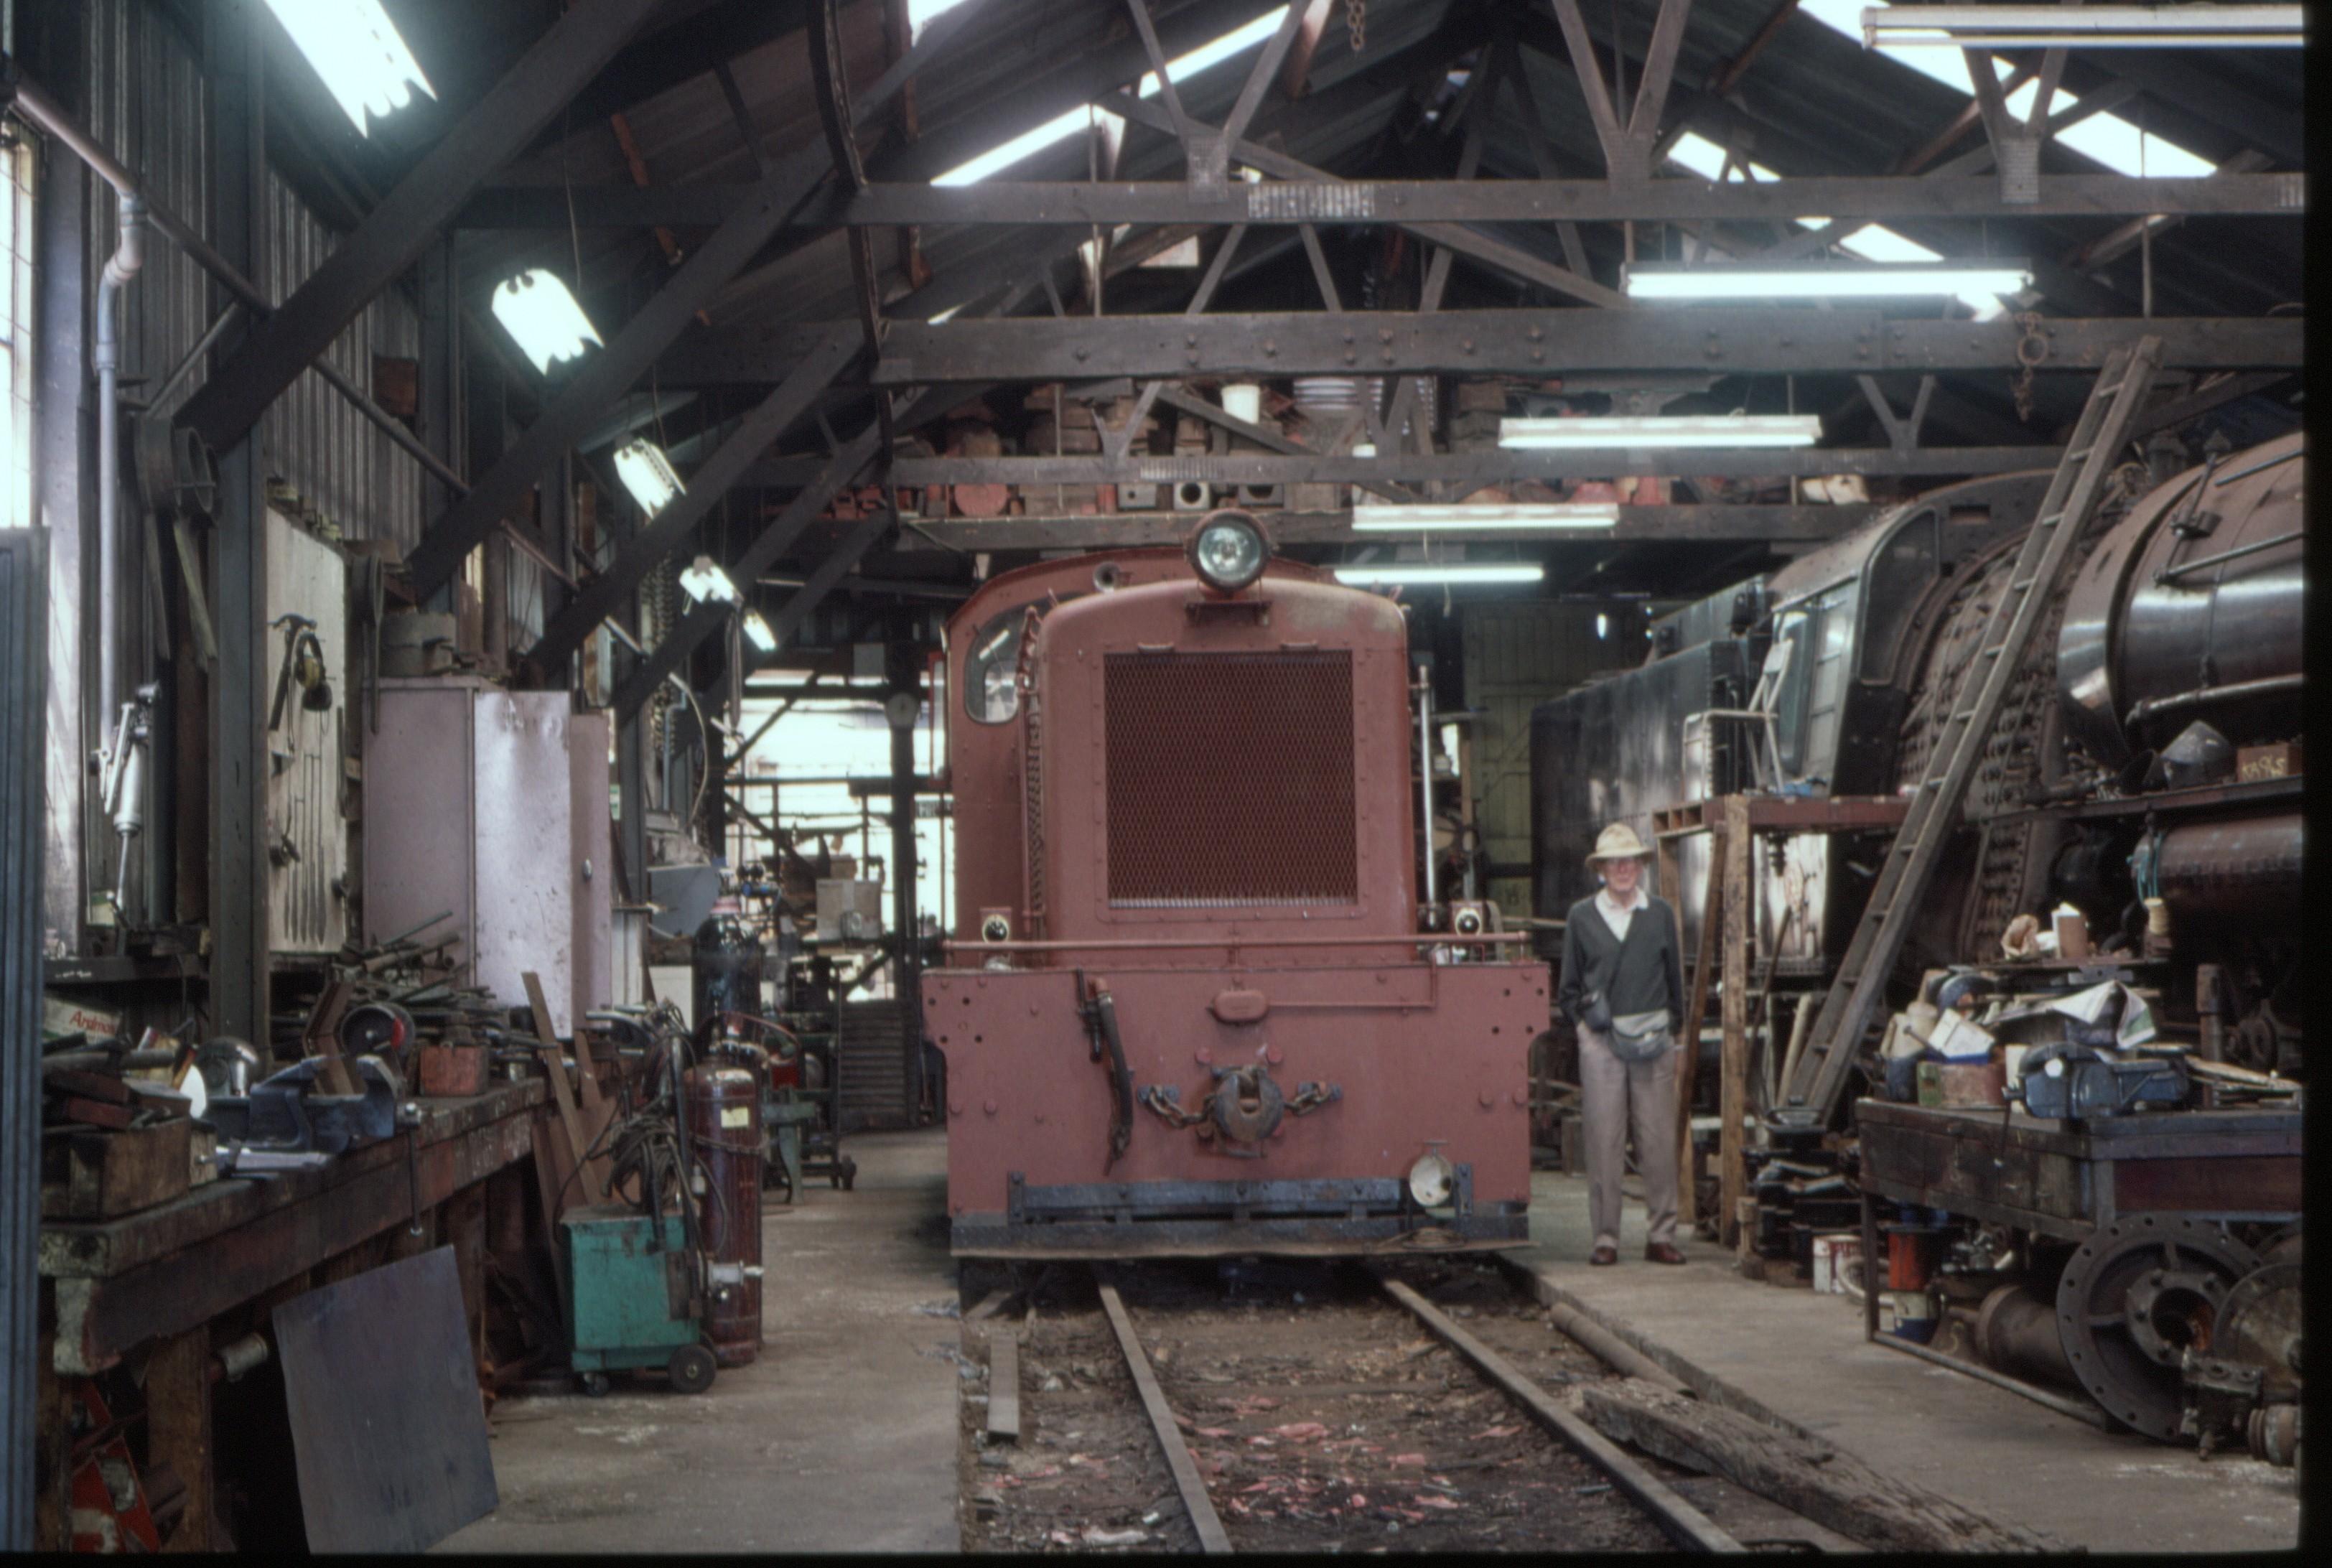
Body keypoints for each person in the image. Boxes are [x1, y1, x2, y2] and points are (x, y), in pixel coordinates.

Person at [1557, 823, 1687, 1266]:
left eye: (1630, 860)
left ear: (1640, 866)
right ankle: (1606, 1239)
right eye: (1614, 862)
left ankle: (1661, 1236)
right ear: (1601, 869)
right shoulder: (1581, 917)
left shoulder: (1660, 913)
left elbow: (1675, 980)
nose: (1623, 868)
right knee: (1603, 1141)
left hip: (1654, 1041)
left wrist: (1674, 1033)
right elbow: (1568, 989)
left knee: (1658, 1141)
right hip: (1602, 1043)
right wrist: (1586, 1032)